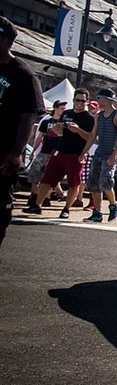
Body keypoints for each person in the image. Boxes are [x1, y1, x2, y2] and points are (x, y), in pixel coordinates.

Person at [0, 16, 45, 251]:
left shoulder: (23, 74)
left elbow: (29, 114)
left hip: (3, 153)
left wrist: (17, 152)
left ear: (5, 40)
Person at [34, 88, 95, 218]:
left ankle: (66, 209)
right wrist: (57, 129)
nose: (79, 103)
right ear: (73, 100)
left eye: (82, 101)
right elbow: (59, 133)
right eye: (77, 100)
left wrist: (78, 130)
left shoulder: (89, 118)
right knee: (46, 179)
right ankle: (36, 205)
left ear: (87, 102)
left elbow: (90, 137)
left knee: (73, 184)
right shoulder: (66, 113)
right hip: (60, 151)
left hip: (76, 154)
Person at [81, 89, 117, 222]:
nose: (98, 101)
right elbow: (93, 135)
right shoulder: (98, 116)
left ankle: (113, 206)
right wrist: (84, 152)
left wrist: (114, 154)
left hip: (110, 154)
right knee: (94, 184)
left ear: (107, 100)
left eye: (100, 98)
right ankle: (97, 212)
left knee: (106, 183)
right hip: (99, 153)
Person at [22, 100, 67, 212]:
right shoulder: (46, 121)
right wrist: (33, 150)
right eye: (61, 109)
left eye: (64, 109)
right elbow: (39, 137)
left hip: (56, 153)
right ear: (55, 108)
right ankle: (33, 196)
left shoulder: (64, 123)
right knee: (35, 174)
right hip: (44, 151)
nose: (63, 111)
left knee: (49, 177)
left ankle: (47, 197)